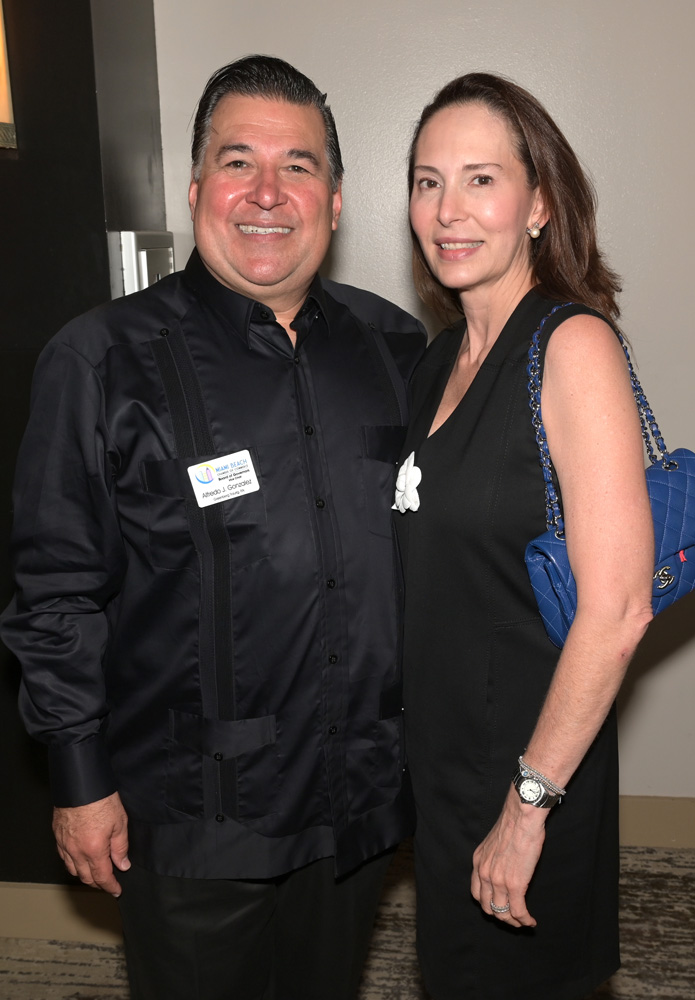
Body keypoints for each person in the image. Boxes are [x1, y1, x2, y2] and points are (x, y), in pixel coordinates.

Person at [1, 55, 426, 1000]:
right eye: (239, 163)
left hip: (356, 805)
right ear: (198, 188)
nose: (267, 194)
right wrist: (78, 778)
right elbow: (56, 592)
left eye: (299, 165)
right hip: (193, 821)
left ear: (337, 197)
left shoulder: (397, 349)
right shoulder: (99, 360)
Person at [393, 73, 654, 1000]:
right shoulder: (434, 365)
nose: (447, 211)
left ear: (539, 202)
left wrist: (527, 804)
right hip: (448, 765)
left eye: (479, 179)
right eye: (427, 181)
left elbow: (618, 610)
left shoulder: (571, 346)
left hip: (527, 771)